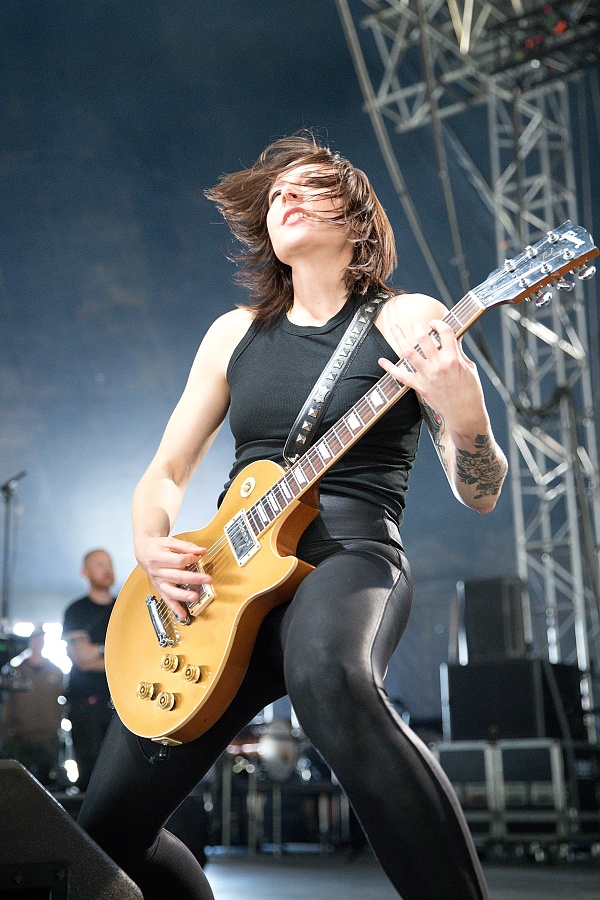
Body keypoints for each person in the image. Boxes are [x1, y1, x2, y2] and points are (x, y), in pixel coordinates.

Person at [78, 134, 508, 899]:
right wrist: (150, 543)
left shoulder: (408, 316)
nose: (286, 196)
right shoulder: (233, 333)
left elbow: (481, 490)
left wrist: (466, 412)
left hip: (347, 552)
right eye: (277, 192)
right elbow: (166, 473)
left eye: (310, 185)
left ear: (357, 217)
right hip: (222, 581)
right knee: (103, 837)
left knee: (329, 678)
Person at [63, 548, 116, 789]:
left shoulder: (124, 609)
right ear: (85, 572)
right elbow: (82, 659)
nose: (107, 570)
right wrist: (113, 650)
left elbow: (135, 656)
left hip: (120, 706)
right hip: (85, 706)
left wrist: (96, 649)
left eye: (109, 564)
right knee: (89, 777)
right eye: (99, 564)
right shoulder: (76, 611)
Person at [0, 627, 64, 786]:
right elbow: (7, 706)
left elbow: (61, 702)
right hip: (21, 737)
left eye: (41, 638)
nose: (38, 642)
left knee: (49, 782)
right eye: (35, 637)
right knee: (20, 783)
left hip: (48, 737)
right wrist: (6, 736)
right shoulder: (14, 672)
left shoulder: (56, 672)